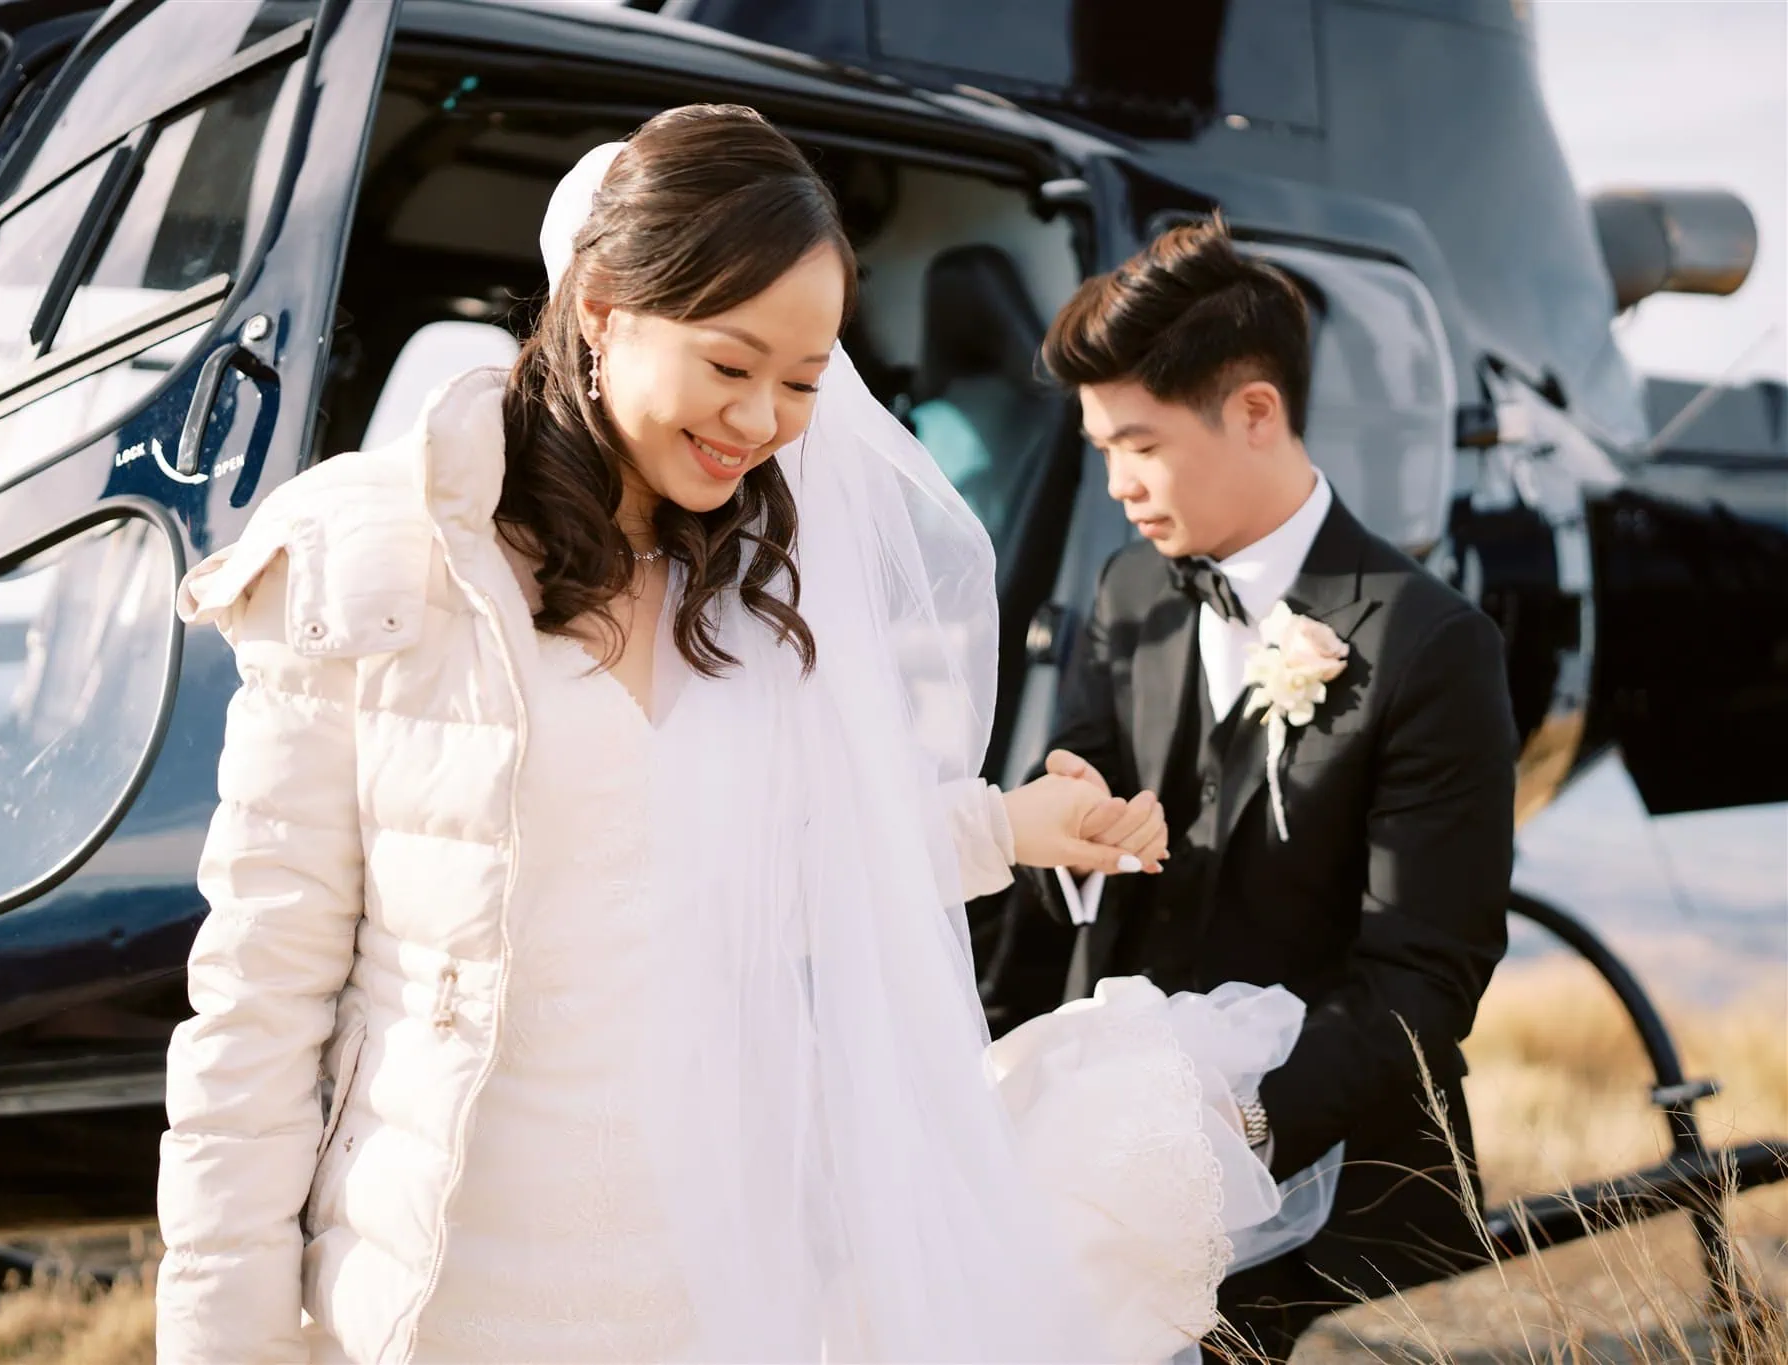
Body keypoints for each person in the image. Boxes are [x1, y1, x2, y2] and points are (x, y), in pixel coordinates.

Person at [154, 106, 1303, 1365]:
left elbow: (779, 869)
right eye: (728, 365)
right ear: (599, 305)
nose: (760, 421)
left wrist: (1003, 827)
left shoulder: (756, 586)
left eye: (804, 382)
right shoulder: (373, 559)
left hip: (721, 1266)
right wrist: (227, 1342)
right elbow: (257, 1003)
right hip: (451, 1273)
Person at [1016, 215, 1520, 1361]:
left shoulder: (1431, 645)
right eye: (1099, 450)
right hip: (1093, 1119)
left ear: (1252, 411)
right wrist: (1077, 833)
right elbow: (1070, 817)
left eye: (1136, 445)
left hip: (1296, 1157)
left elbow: (1425, 973)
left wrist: (1235, 1136)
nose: (1117, 486)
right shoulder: (1128, 589)